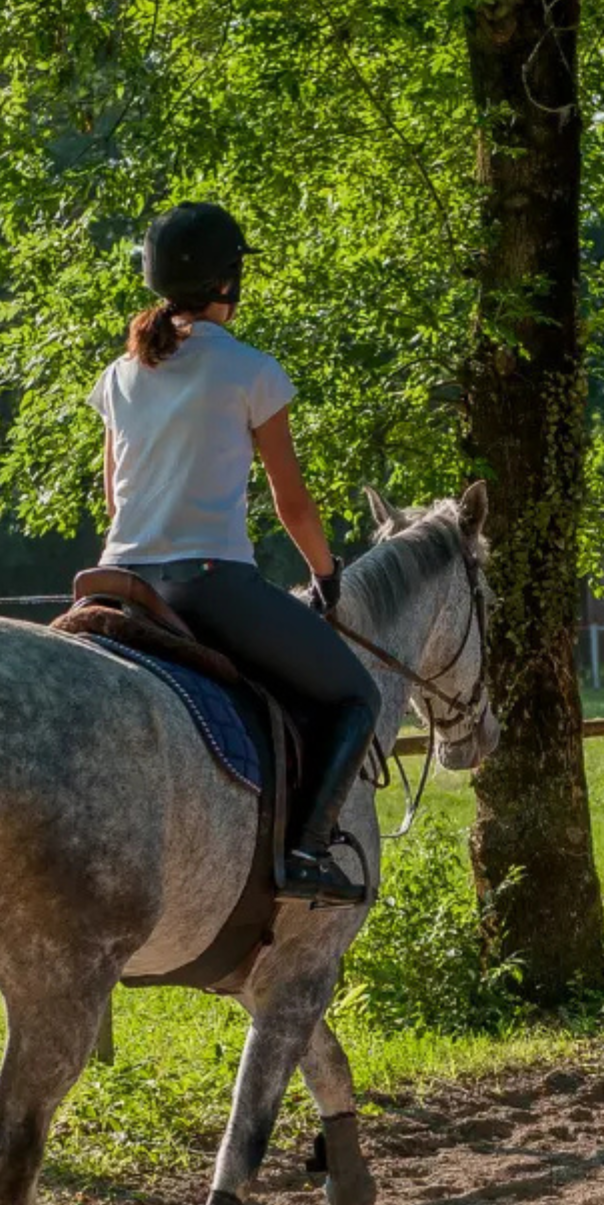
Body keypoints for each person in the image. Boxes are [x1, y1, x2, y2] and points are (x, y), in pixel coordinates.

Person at [87, 201, 379, 907]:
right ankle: (305, 853)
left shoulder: (120, 374)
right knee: (355, 695)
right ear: (227, 283)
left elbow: (112, 496)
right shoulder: (251, 371)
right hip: (207, 583)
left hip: (114, 581)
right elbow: (294, 505)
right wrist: (325, 573)